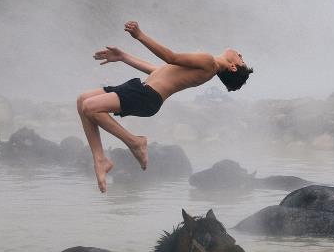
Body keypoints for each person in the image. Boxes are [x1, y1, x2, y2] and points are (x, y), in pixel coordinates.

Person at [77, 21, 253, 192]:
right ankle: (100, 159)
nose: (240, 54)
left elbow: (171, 57)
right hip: (142, 89)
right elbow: (158, 71)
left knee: (90, 107)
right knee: (83, 100)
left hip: (147, 96)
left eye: (241, 60)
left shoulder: (209, 62)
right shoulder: (208, 66)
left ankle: (135, 142)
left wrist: (140, 36)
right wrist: (123, 57)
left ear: (233, 67)